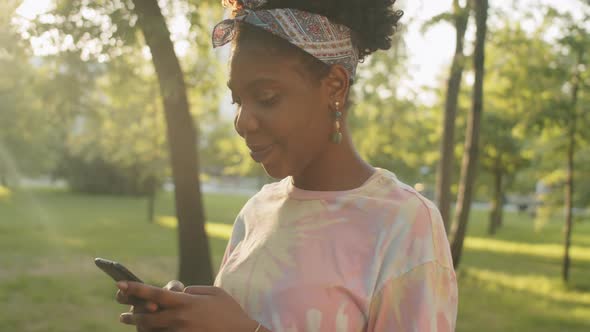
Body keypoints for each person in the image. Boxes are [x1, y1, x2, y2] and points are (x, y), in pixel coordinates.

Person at [115, 0, 458, 331]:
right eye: (237, 100)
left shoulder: (405, 224)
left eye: (266, 98)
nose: (242, 122)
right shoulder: (256, 212)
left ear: (335, 87)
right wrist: (186, 320)